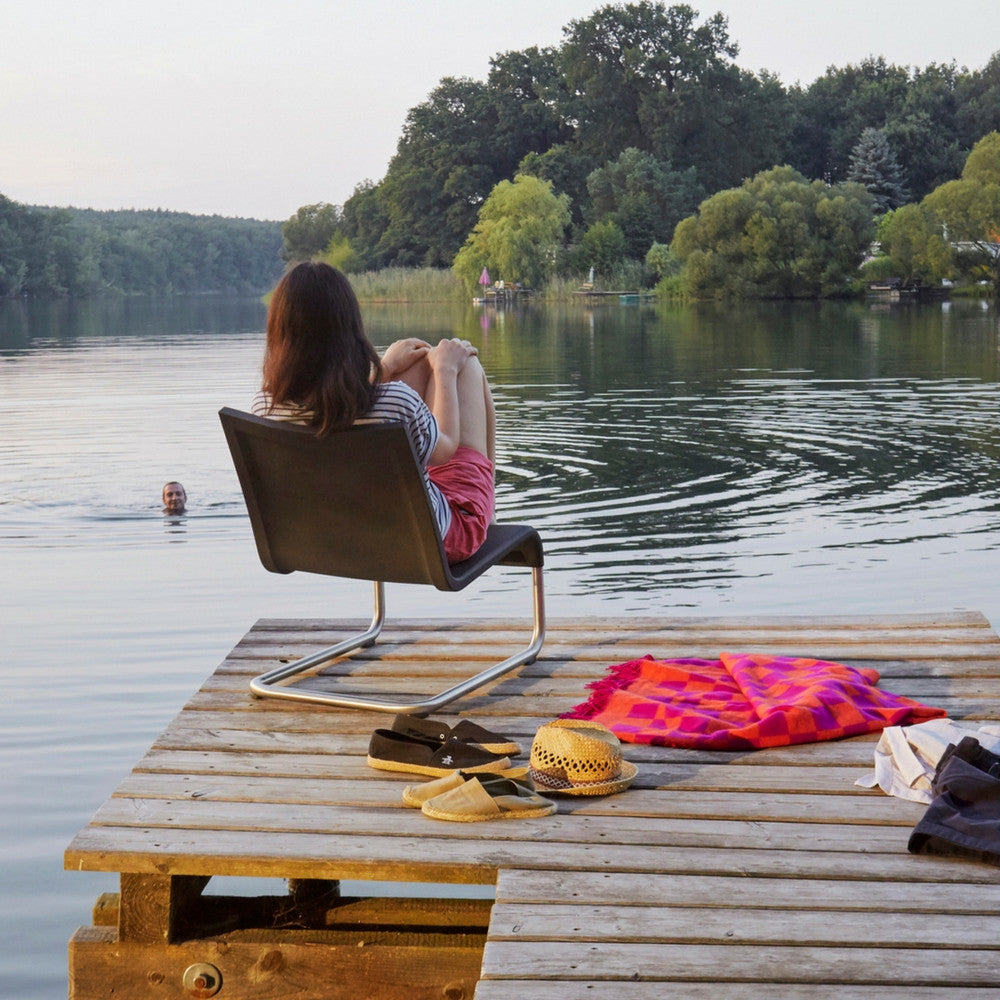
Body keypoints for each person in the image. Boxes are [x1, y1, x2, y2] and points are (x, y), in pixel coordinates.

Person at [251, 261, 496, 563]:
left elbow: (335, 417)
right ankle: (488, 515)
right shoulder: (397, 401)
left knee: (418, 368)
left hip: (336, 537)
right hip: (432, 540)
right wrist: (445, 370)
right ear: (350, 330)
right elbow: (445, 449)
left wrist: (386, 369)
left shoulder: (264, 408)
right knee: (466, 365)